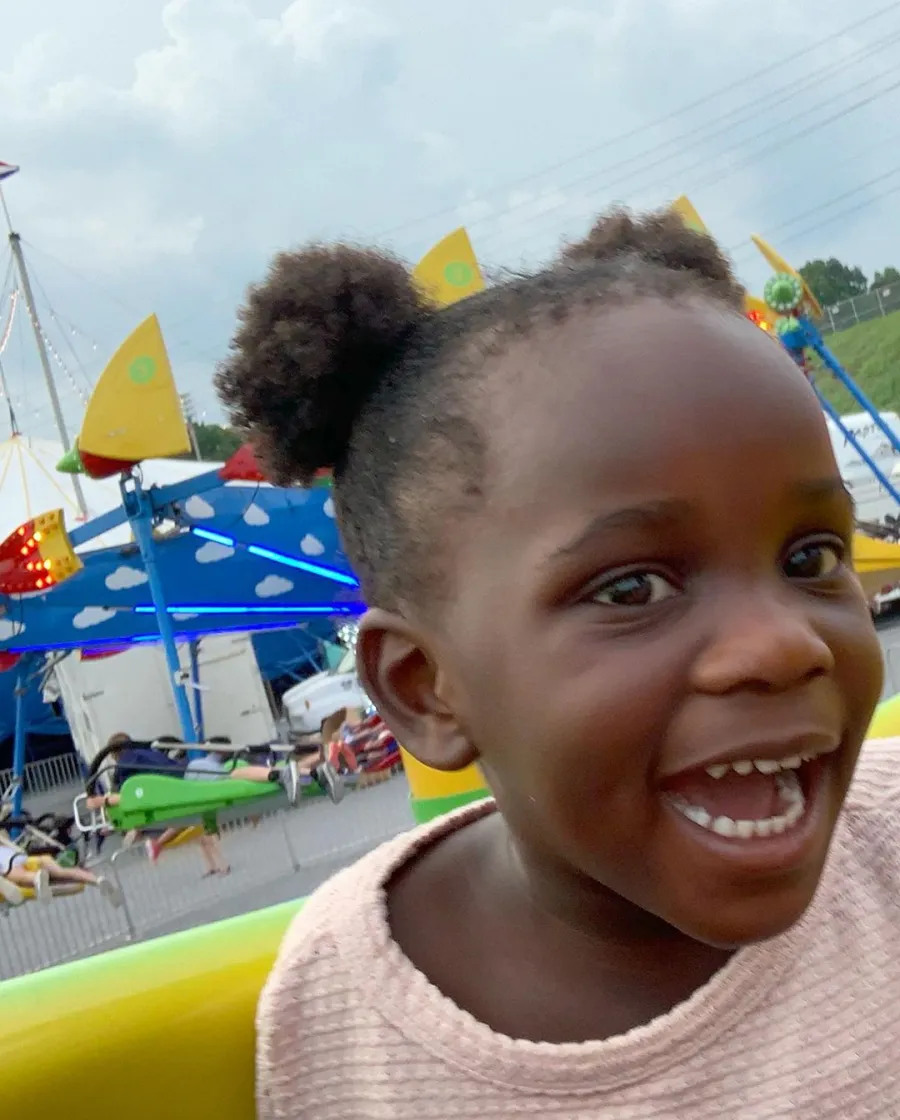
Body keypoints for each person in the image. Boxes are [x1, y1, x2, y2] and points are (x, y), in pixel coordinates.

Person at [217, 208, 894, 1117]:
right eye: (631, 590)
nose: (782, 643)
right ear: (426, 689)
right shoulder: (340, 1018)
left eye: (811, 558)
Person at [0, 839, 123, 906]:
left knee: (21, 877)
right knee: (63, 872)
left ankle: (36, 878)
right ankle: (97, 880)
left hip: (7, 864)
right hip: (23, 856)